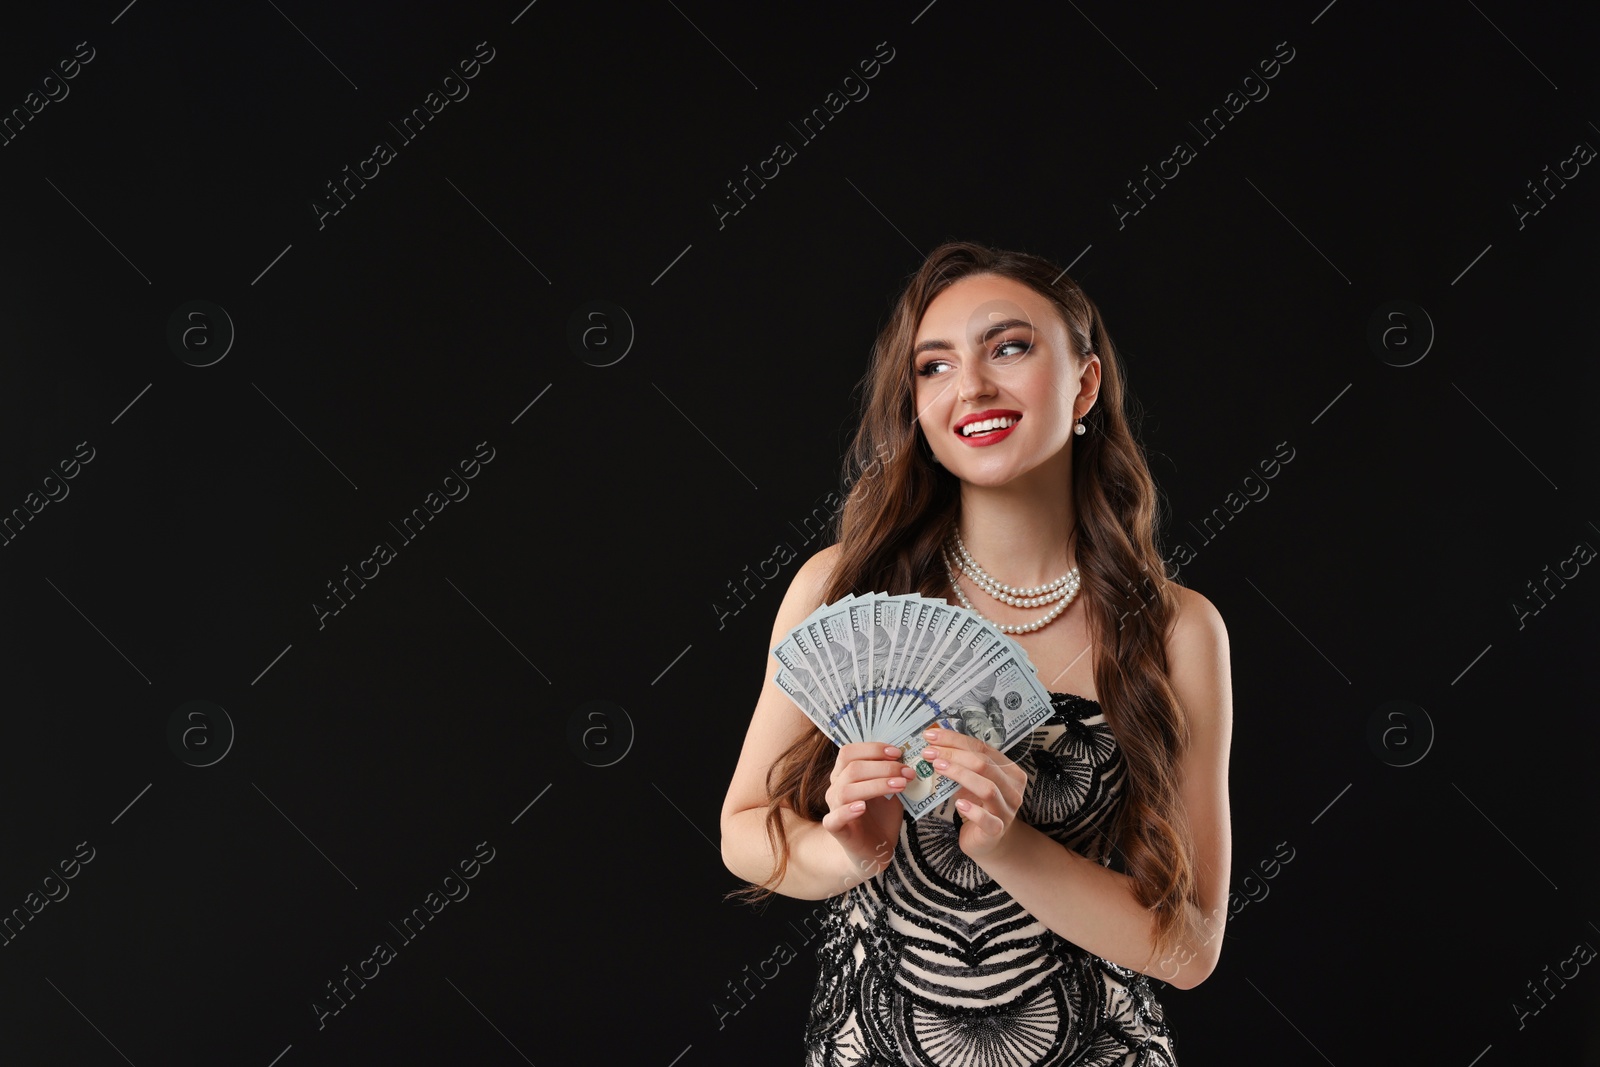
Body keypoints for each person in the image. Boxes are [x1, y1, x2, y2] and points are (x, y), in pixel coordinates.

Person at [719, 240, 1233, 1066]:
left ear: (1086, 384)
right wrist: (846, 850)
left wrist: (1011, 845)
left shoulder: (1178, 630)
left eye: (1010, 346)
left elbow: (1190, 945)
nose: (973, 387)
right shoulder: (841, 590)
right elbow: (743, 829)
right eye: (933, 366)